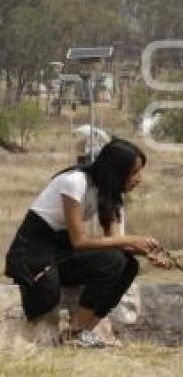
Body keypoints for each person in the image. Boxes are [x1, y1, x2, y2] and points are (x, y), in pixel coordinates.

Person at [4, 138, 170, 348]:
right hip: (34, 252)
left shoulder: (110, 194)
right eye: (134, 172)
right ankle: (74, 333)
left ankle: (84, 331)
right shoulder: (75, 182)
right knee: (112, 260)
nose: (140, 179)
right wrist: (132, 240)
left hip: (60, 250)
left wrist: (149, 252)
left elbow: (115, 241)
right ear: (116, 170)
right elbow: (80, 241)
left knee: (128, 265)